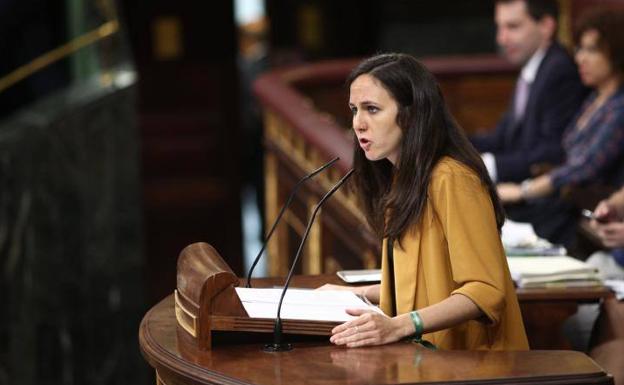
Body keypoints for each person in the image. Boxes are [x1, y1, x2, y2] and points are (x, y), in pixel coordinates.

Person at [321, 53, 528, 350]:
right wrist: (355, 294)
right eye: (354, 110)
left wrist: (399, 325)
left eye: (372, 109)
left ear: (411, 114)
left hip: (474, 365)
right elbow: (422, 284)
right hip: (425, 359)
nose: (358, 124)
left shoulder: (452, 178)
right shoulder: (402, 179)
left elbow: (485, 290)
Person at [497, 8, 624, 248]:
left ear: (616, 53)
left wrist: (523, 190)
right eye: (579, 49)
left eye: (592, 50)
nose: (580, 58)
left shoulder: (619, 107)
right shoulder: (593, 99)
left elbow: (583, 166)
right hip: (563, 203)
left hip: (583, 216)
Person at [471, 0, 587, 247]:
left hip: (549, 211)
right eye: (499, 27)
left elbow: (553, 151)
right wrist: (452, 142)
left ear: (546, 26)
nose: (502, 39)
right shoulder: (532, 68)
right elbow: (502, 137)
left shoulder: (559, 69)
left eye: (513, 27)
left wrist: (486, 165)